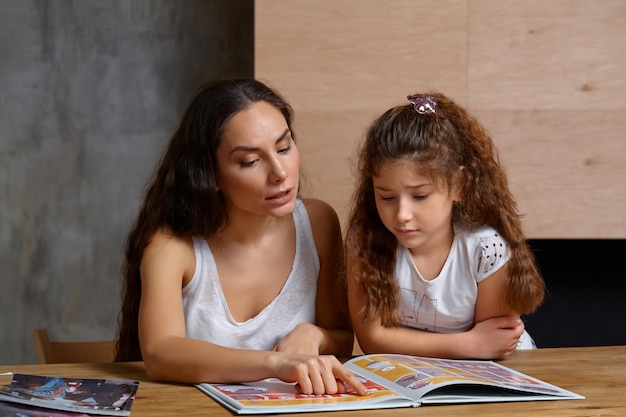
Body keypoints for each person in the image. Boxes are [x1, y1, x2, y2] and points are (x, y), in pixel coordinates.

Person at [115, 78, 366, 396]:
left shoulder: (318, 223)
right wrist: (277, 363)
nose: (280, 172)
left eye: (284, 147)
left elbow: (342, 336)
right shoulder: (171, 246)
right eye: (250, 161)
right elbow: (160, 353)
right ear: (211, 175)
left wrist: (314, 334)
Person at [345, 92, 545, 360]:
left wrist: (475, 346)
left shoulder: (486, 249)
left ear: (458, 185)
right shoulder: (365, 241)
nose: (402, 214)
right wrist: (466, 344)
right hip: (428, 371)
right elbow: (372, 339)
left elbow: (494, 345)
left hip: (503, 368)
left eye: (420, 196)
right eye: (387, 197)